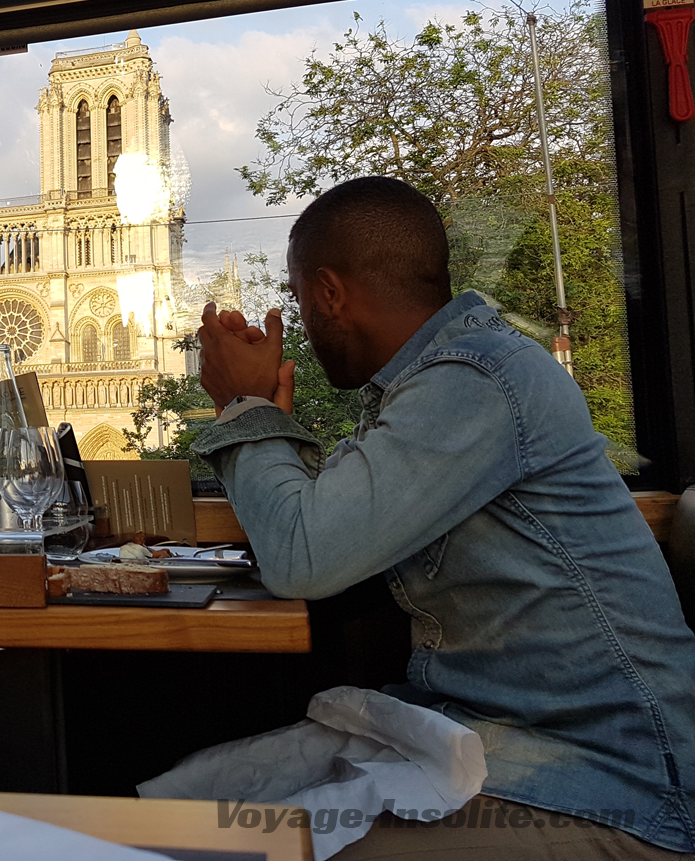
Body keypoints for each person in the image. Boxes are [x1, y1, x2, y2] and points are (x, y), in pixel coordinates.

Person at [179, 177, 695, 858]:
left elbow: (306, 552)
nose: (300, 322)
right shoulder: (430, 386)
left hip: (610, 779)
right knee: (196, 806)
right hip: (494, 740)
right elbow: (332, 521)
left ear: (331, 292)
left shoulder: (476, 380)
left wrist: (246, 407)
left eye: (302, 300)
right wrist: (259, 416)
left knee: (251, 847)